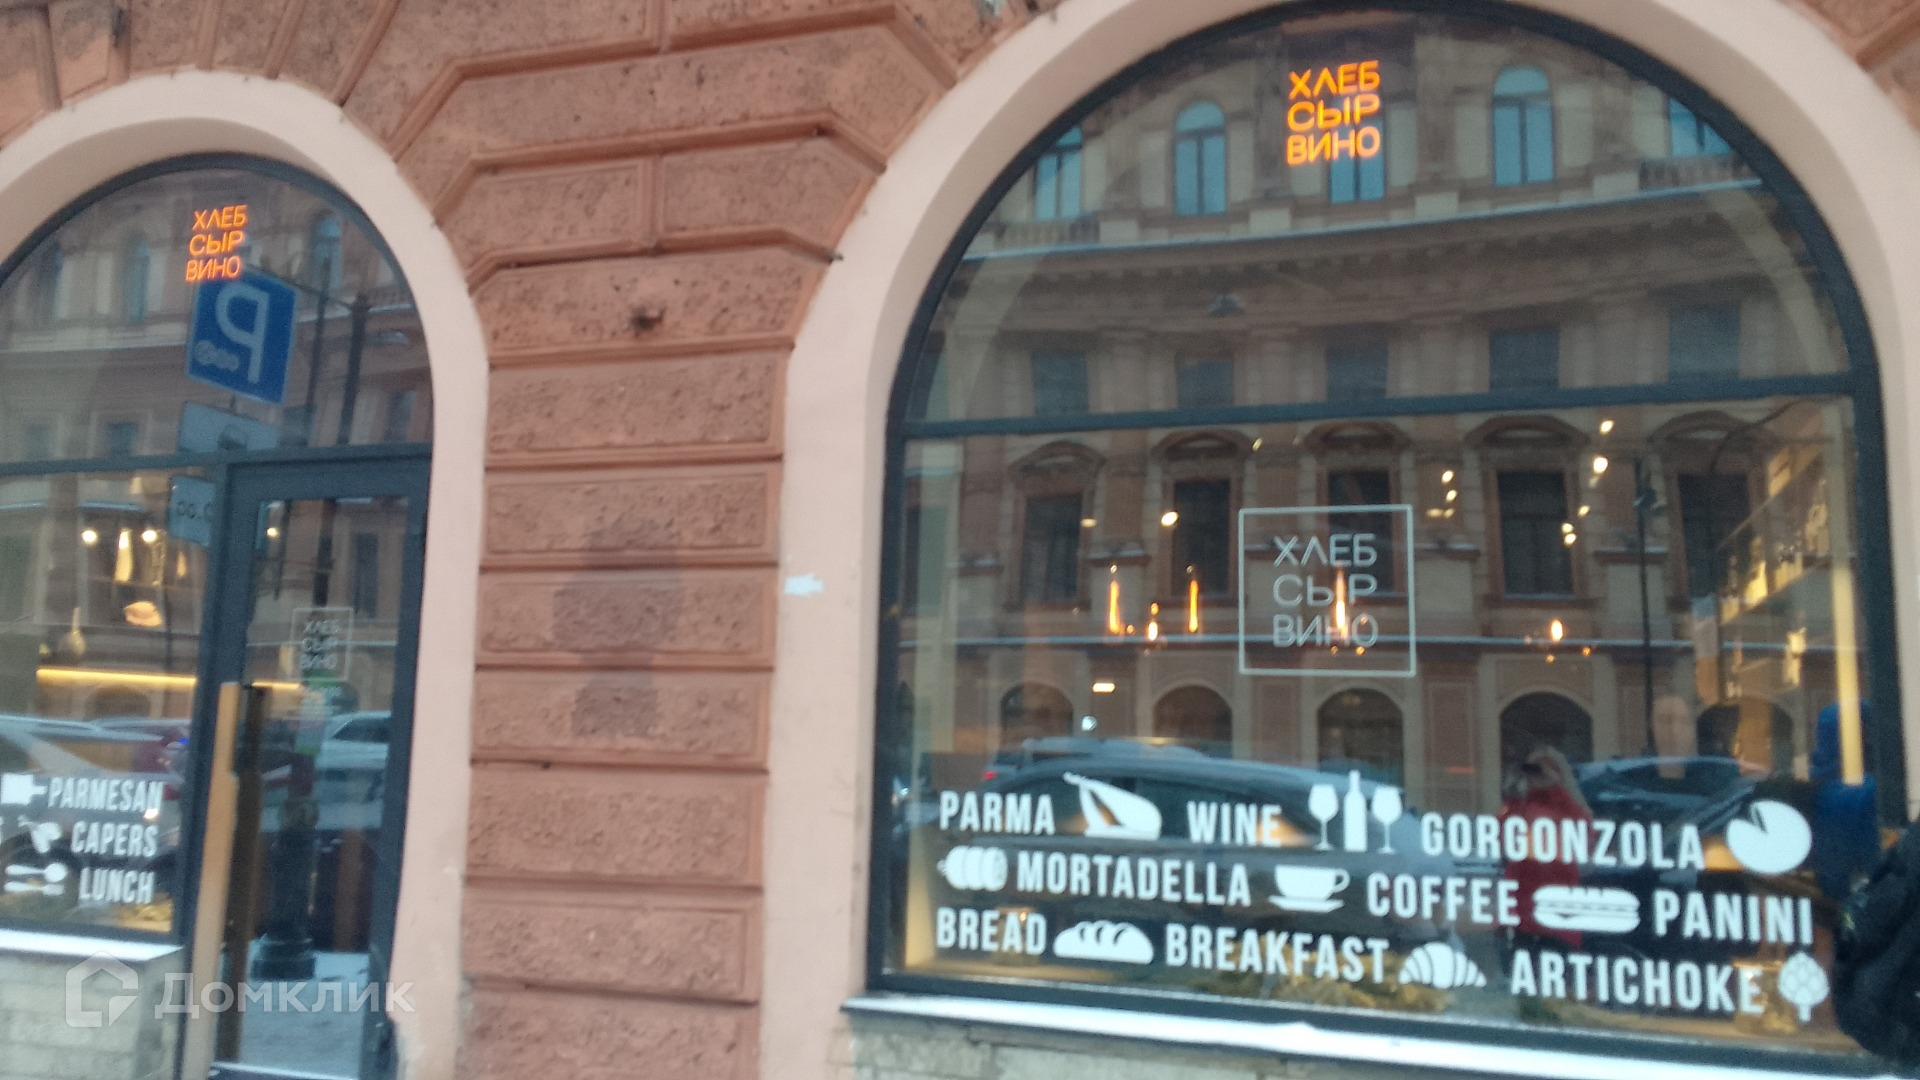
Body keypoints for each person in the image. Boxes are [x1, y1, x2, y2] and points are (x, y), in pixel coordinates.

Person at [1499, 747, 1592, 953]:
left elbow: (1584, 839)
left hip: (1559, 914)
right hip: (1522, 914)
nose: (1538, 775)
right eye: (1533, 769)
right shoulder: (1519, 807)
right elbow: (1502, 839)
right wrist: (1512, 792)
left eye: (1544, 769)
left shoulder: (1570, 808)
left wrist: (1556, 788)